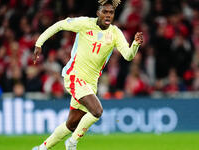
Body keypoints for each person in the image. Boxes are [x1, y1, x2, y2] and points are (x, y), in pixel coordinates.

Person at [32, 0, 143, 150]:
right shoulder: (84, 23)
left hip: (90, 84)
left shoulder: (115, 32)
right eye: (105, 12)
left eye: (111, 12)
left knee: (70, 125)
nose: (108, 15)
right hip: (74, 76)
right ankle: (72, 143)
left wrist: (135, 44)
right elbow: (60, 25)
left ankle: (42, 148)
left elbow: (128, 55)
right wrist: (39, 43)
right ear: (98, 13)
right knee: (97, 111)